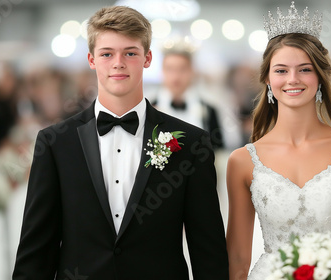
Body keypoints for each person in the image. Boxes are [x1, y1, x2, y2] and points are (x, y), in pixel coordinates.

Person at [13, 6, 229, 280]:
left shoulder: (192, 144)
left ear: (148, 58)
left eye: (130, 53)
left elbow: (207, 248)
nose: (118, 63)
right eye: (107, 54)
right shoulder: (56, 143)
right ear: (91, 59)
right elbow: (37, 249)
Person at [226, 2, 331, 279]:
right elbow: (236, 256)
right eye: (281, 70)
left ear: (319, 76)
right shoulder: (242, 161)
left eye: (304, 69)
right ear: (268, 80)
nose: (292, 79)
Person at [151, 44, 224, 150]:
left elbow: (217, 150)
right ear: (162, 71)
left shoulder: (208, 110)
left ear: (192, 71)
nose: (176, 76)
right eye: (170, 69)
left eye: (182, 69)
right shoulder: (150, 109)